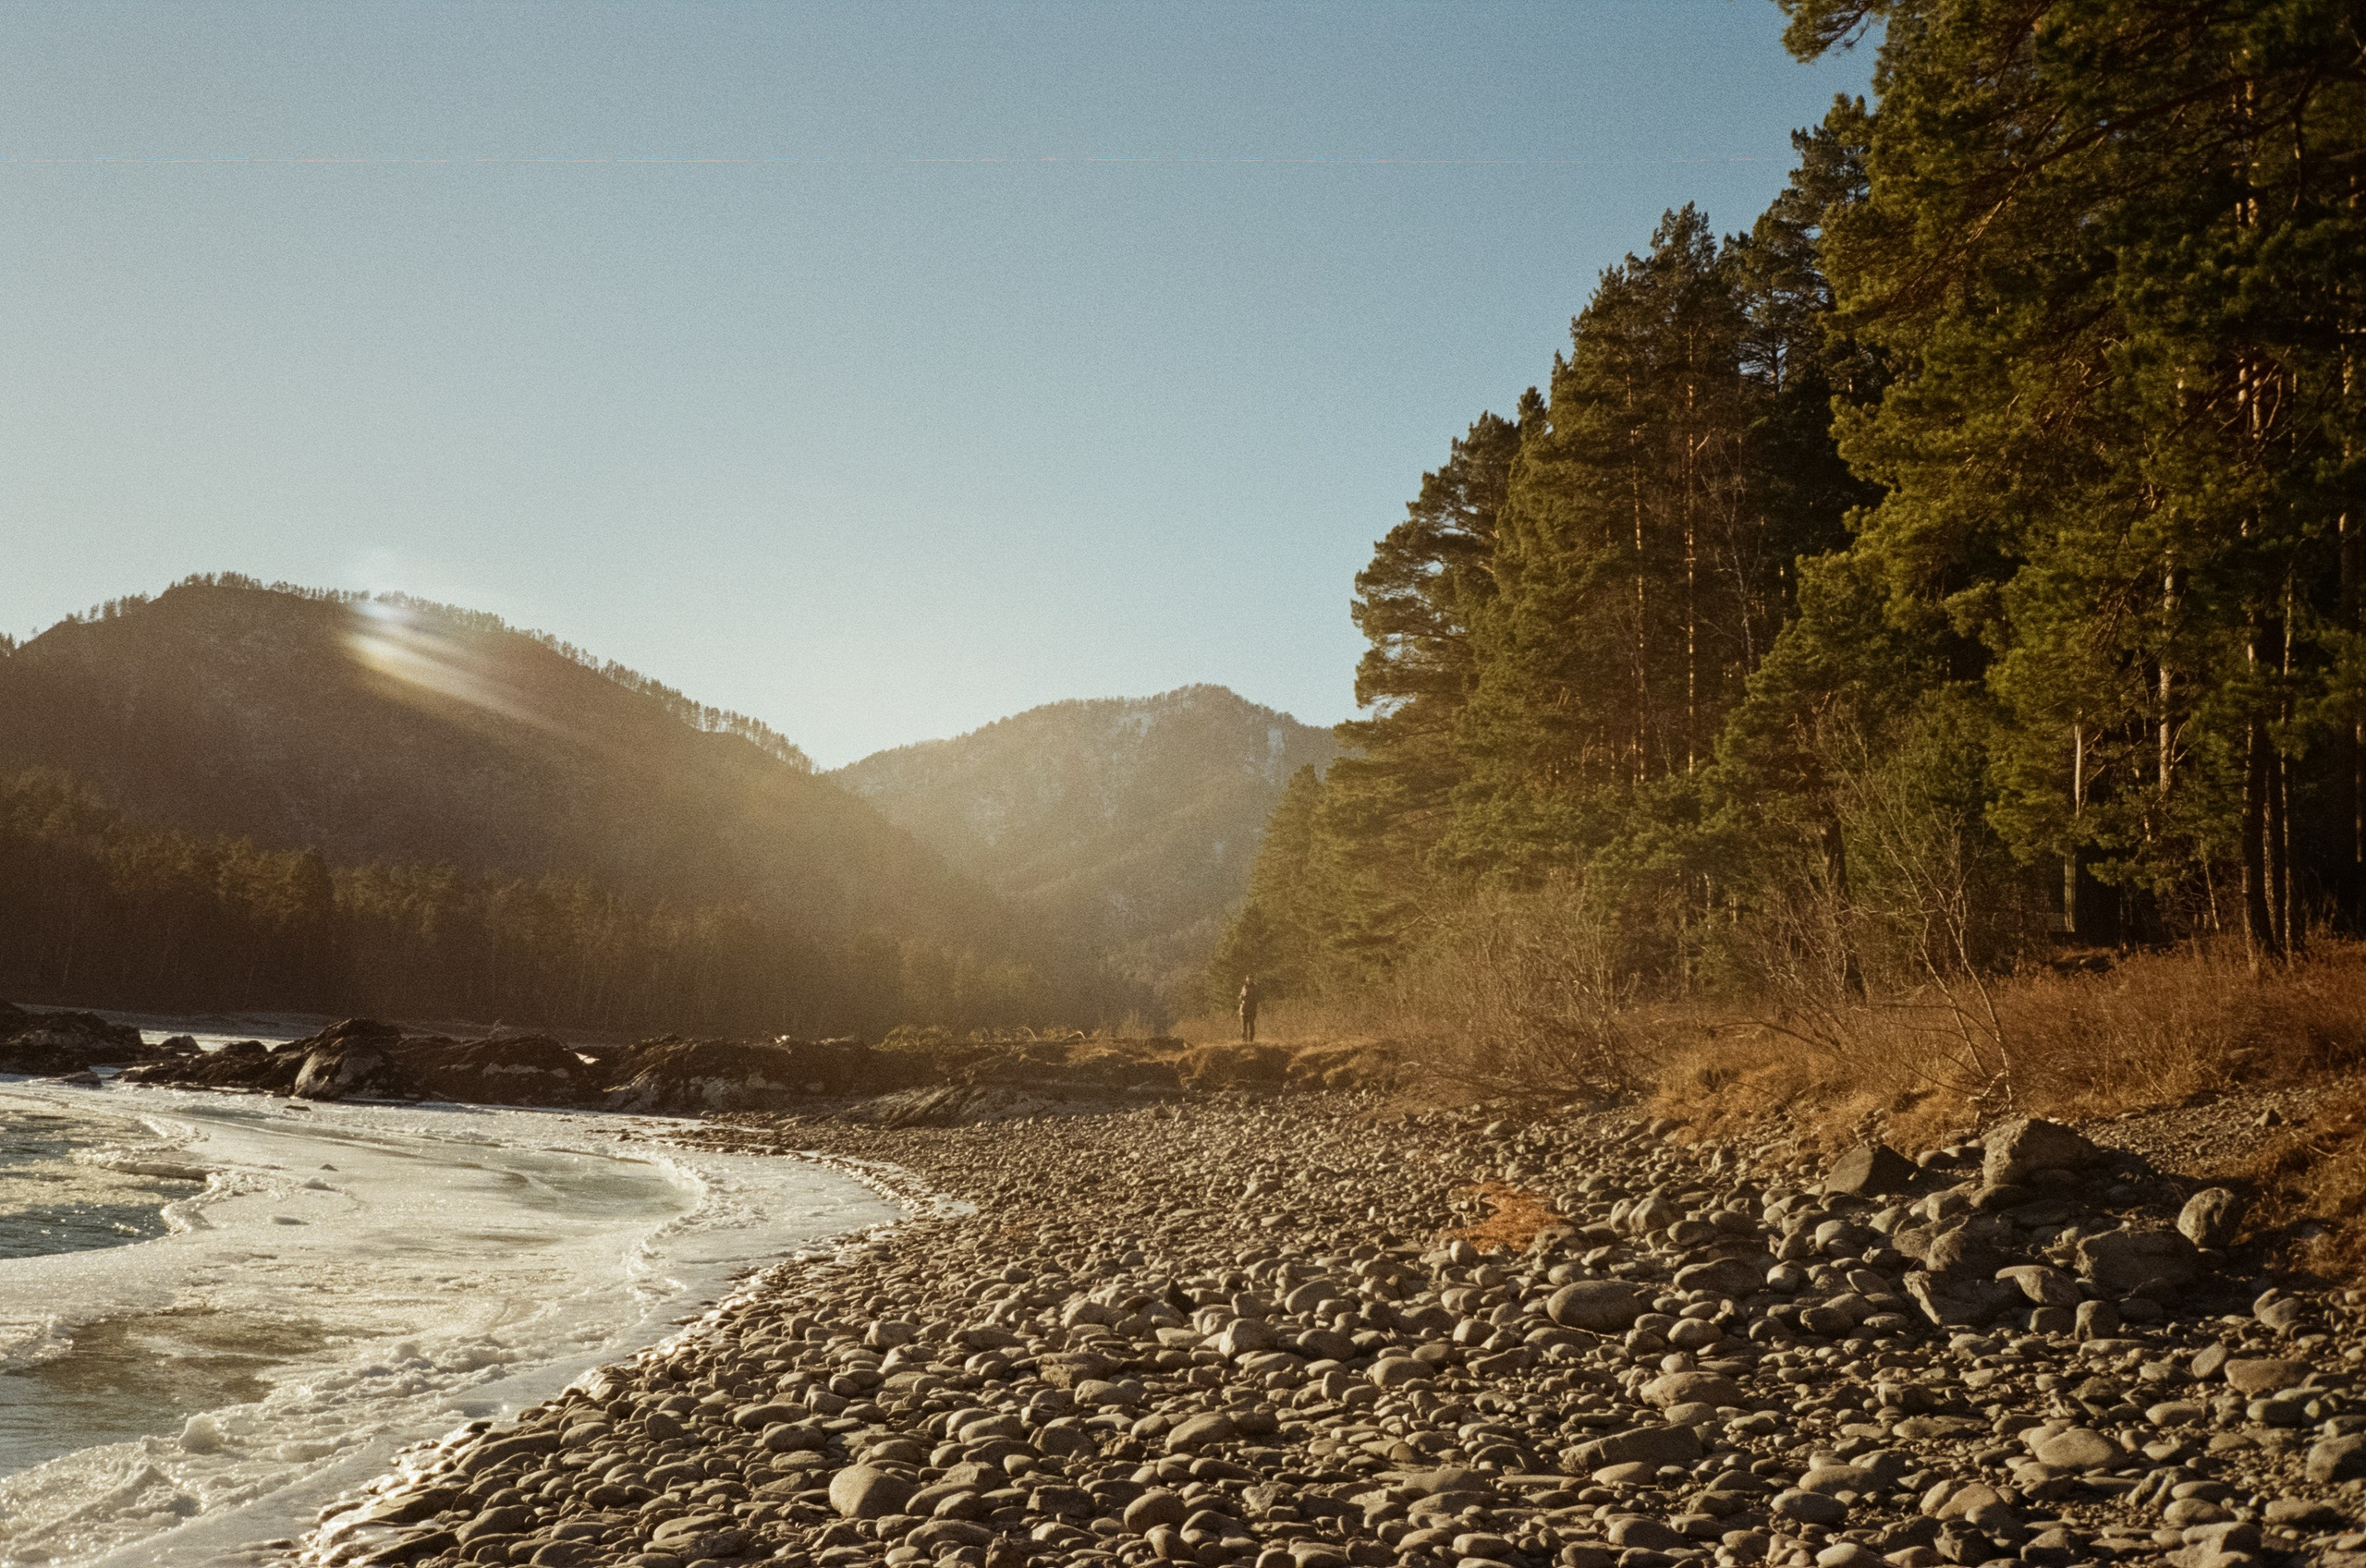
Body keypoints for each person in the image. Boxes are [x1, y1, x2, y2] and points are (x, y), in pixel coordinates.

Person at [1238, 976, 1262, 1043]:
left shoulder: (1255, 988)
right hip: (1244, 1009)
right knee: (1243, 1026)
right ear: (1246, 979)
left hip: (1252, 1009)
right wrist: (1241, 998)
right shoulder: (1244, 987)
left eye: (1250, 979)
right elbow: (1241, 996)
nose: (1248, 981)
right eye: (1247, 979)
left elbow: (1257, 998)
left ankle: (1251, 1040)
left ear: (1252, 979)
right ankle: (1244, 1040)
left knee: (1251, 1025)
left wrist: (1254, 1005)